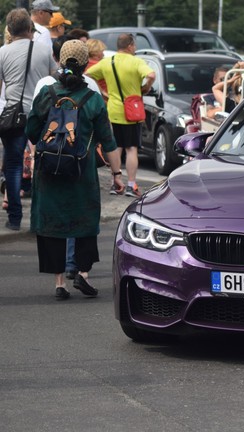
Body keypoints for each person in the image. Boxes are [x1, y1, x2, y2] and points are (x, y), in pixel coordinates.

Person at [26, 39, 124, 300]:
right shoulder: (93, 99)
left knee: (54, 224)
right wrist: (117, 175)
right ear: (84, 66)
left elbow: (32, 133)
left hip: (49, 172)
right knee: (84, 222)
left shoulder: (46, 94)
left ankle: (59, 284)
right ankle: (82, 273)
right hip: (82, 173)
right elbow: (109, 141)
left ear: (59, 62)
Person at [0, 8, 57, 231]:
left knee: (13, 166)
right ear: (29, 28)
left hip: (12, 116)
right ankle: (39, 218)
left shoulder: (2, 52)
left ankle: (14, 218)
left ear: (10, 30)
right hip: (41, 115)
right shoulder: (44, 50)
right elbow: (55, 79)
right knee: (43, 163)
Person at [86, 33, 155, 198]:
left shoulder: (107, 62)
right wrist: (145, 88)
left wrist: (103, 92)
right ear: (130, 45)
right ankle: (131, 185)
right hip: (132, 110)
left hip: (114, 110)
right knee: (131, 148)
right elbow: (151, 75)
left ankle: (115, 183)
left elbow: (87, 75)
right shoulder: (137, 61)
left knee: (115, 147)